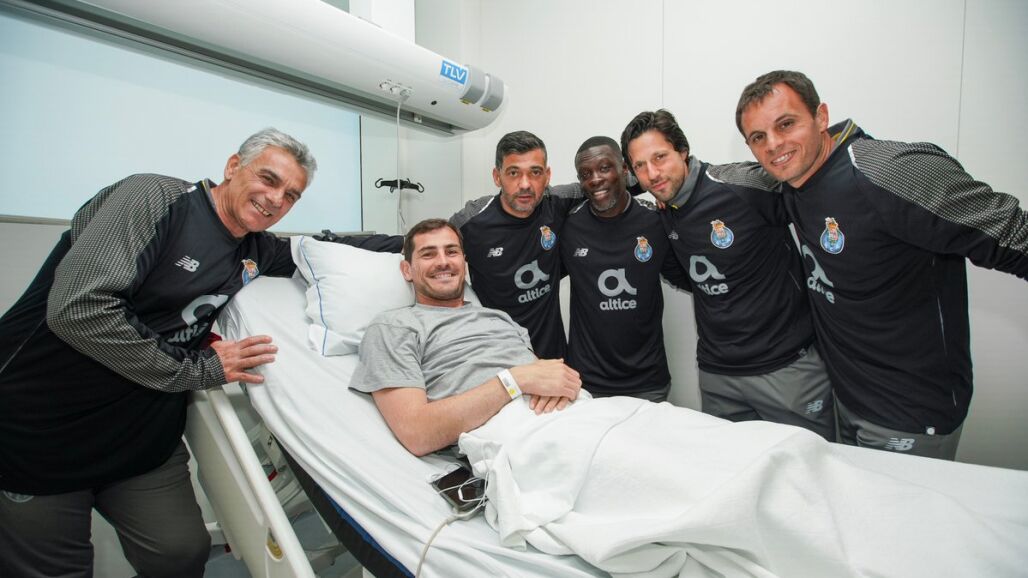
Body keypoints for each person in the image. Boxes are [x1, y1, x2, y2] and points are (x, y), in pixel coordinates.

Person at [0, 128, 316, 577]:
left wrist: (417, 246)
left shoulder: (256, 250)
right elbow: (79, 309)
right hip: (43, 429)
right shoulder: (155, 199)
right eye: (268, 179)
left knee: (181, 553)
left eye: (291, 195)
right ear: (233, 167)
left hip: (140, 438)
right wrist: (202, 370)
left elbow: (333, 250)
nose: (276, 199)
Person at [736, 70, 1028, 459]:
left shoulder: (885, 171)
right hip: (847, 399)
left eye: (786, 124)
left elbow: (1014, 234)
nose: (774, 144)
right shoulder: (791, 182)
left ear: (821, 117)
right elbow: (718, 179)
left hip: (909, 413)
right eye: (758, 137)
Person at [620, 109, 835, 439]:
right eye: (640, 166)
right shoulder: (664, 210)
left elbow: (816, 201)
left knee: (809, 467)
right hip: (718, 374)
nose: (652, 174)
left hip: (788, 369)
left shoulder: (742, 184)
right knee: (728, 467)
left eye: (660, 157)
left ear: (682, 150)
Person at [350, 219, 582, 456]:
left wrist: (566, 383)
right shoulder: (393, 326)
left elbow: (542, 375)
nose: (443, 262)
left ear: (464, 263)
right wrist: (512, 382)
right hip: (516, 433)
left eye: (452, 252)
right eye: (428, 254)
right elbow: (416, 433)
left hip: (573, 412)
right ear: (407, 270)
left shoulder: (499, 318)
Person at [559, 136, 688, 401]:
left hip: (648, 382)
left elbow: (686, 275)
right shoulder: (568, 226)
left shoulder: (655, 220)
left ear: (624, 170)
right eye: (586, 174)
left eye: (605, 168)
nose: (595, 179)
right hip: (586, 384)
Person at [449, 131, 581, 359]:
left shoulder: (556, 202)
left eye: (535, 172)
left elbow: (609, 181)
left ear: (547, 175)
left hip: (554, 360)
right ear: (497, 176)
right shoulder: (472, 221)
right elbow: (421, 242)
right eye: (513, 173)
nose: (525, 184)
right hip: (498, 360)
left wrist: (654, 184)